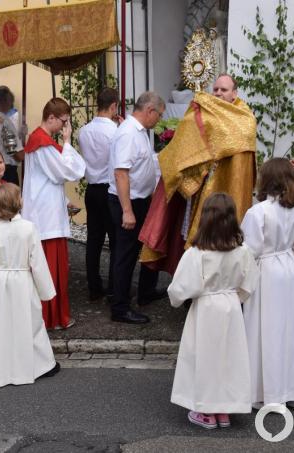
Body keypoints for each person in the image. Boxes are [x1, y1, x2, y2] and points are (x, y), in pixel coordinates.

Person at [139, 74, 257, 276]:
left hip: (226, 187)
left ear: (234, 94)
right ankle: (191, 287)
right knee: (194, 242)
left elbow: (236, 150)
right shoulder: (201, 110)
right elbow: (185, 144)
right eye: (216, 89)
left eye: (224, 90)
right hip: (199, 188)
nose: (218, 93)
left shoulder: (245, 118)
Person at [167, 193, 259, 430]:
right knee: (228, 357)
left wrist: (180, 299)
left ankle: (206, 409)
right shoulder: (243, 251)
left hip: (206, 309)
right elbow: (249, 283)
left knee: (205, 357)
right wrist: (234, 297)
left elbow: (179, 290)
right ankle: (224, 409)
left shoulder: (196, 254)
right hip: (230, 307)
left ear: (205, 219)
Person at [241, 158, 294, 413]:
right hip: (289, 269)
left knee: (263, 329)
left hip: (266, 271)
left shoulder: (258, 212)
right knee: (289, 330)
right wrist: (291, 261)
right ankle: (289, 390)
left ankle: (262, 392)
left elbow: (249, 250)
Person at [0, 183, 61, 387]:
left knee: (2, 325)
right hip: (22, 281)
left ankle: (3, 370)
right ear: (17, 202)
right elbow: (37, 262)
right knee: (31, 323)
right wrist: (46, 291)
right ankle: (41, 365)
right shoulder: (28, 228)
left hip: (0, 281)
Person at [22, 98, 86, 330]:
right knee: (51, 269)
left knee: (50, 268)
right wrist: (68, 142)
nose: (64, 127)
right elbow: (67, 171)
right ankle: (52, 318)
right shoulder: (42, 142)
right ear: (51, 118)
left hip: (45, 209)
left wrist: (64, 200)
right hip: (45, 217)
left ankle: (53, 316)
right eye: (64, 121)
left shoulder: (40, 140)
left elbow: (42, 180)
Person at [107, 91, 166, 324]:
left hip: (141, 199)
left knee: (146, 246)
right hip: (127, 202)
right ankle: (120, 308)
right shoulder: (129, 134)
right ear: (149, 110)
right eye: (159, 115)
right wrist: (128, 210)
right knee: (126, 255)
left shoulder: (140, 132)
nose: (159, 120)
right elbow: (121, 173)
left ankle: (145, 292)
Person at [78, 87, 121, 302]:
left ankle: (94, 287)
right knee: (115, 240)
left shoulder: (84, 131)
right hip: (109, 188)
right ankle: (114, 287)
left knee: (94, 240)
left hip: (92, 188)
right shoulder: (114, 132)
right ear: (113, 106)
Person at [0, 86, 25, 185]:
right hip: (6, 170)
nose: (11, 104)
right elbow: (17, 153)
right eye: (10, 101)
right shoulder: (6, 122)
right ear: (3, 102)